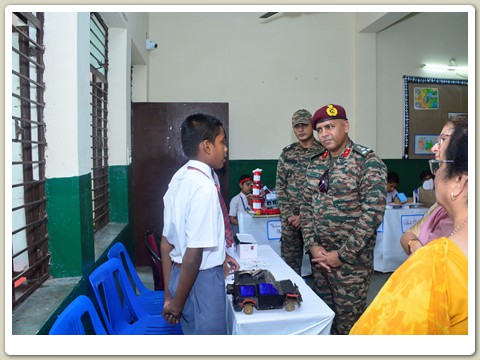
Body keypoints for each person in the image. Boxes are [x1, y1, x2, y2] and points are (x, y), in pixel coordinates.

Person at [350, 115, 468, 334]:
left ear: (460, 183)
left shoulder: (434, 267)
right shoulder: (437, 218)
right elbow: (407, 236)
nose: (434, 148)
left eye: (438, 166)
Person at [301, 103, 387, 334]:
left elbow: (373, 214)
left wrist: (342, 255)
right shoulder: (316, 163)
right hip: (320, 261)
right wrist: (312, 245)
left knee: (350, 325)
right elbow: (306, 207)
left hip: (351, 264)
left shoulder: (367, 161)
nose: (324, 134)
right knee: (323, 320)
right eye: (319, 130)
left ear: (346, 126)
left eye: (330, 126)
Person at [160, 113, 240, 335]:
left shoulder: (179, 177)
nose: (225, 149)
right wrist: (176, 305)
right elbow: (194, 255)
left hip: (179, 277)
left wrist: (169, 295)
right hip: (199, 281)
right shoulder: (204, 189)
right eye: (222, 142)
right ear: (207, 146)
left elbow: (167, 242)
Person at [275, 109, 324, 276]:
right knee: (290, 269)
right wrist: (289, 215)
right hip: (290, 223)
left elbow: (328, 189)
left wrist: (305, 216)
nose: (301, 130)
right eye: (297, 126)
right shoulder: (287, 154)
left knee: (320, 268)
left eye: (304, 125)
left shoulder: (324, 151)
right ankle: (292, 300)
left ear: (312, 126)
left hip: (316, 220)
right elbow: (280, 187)